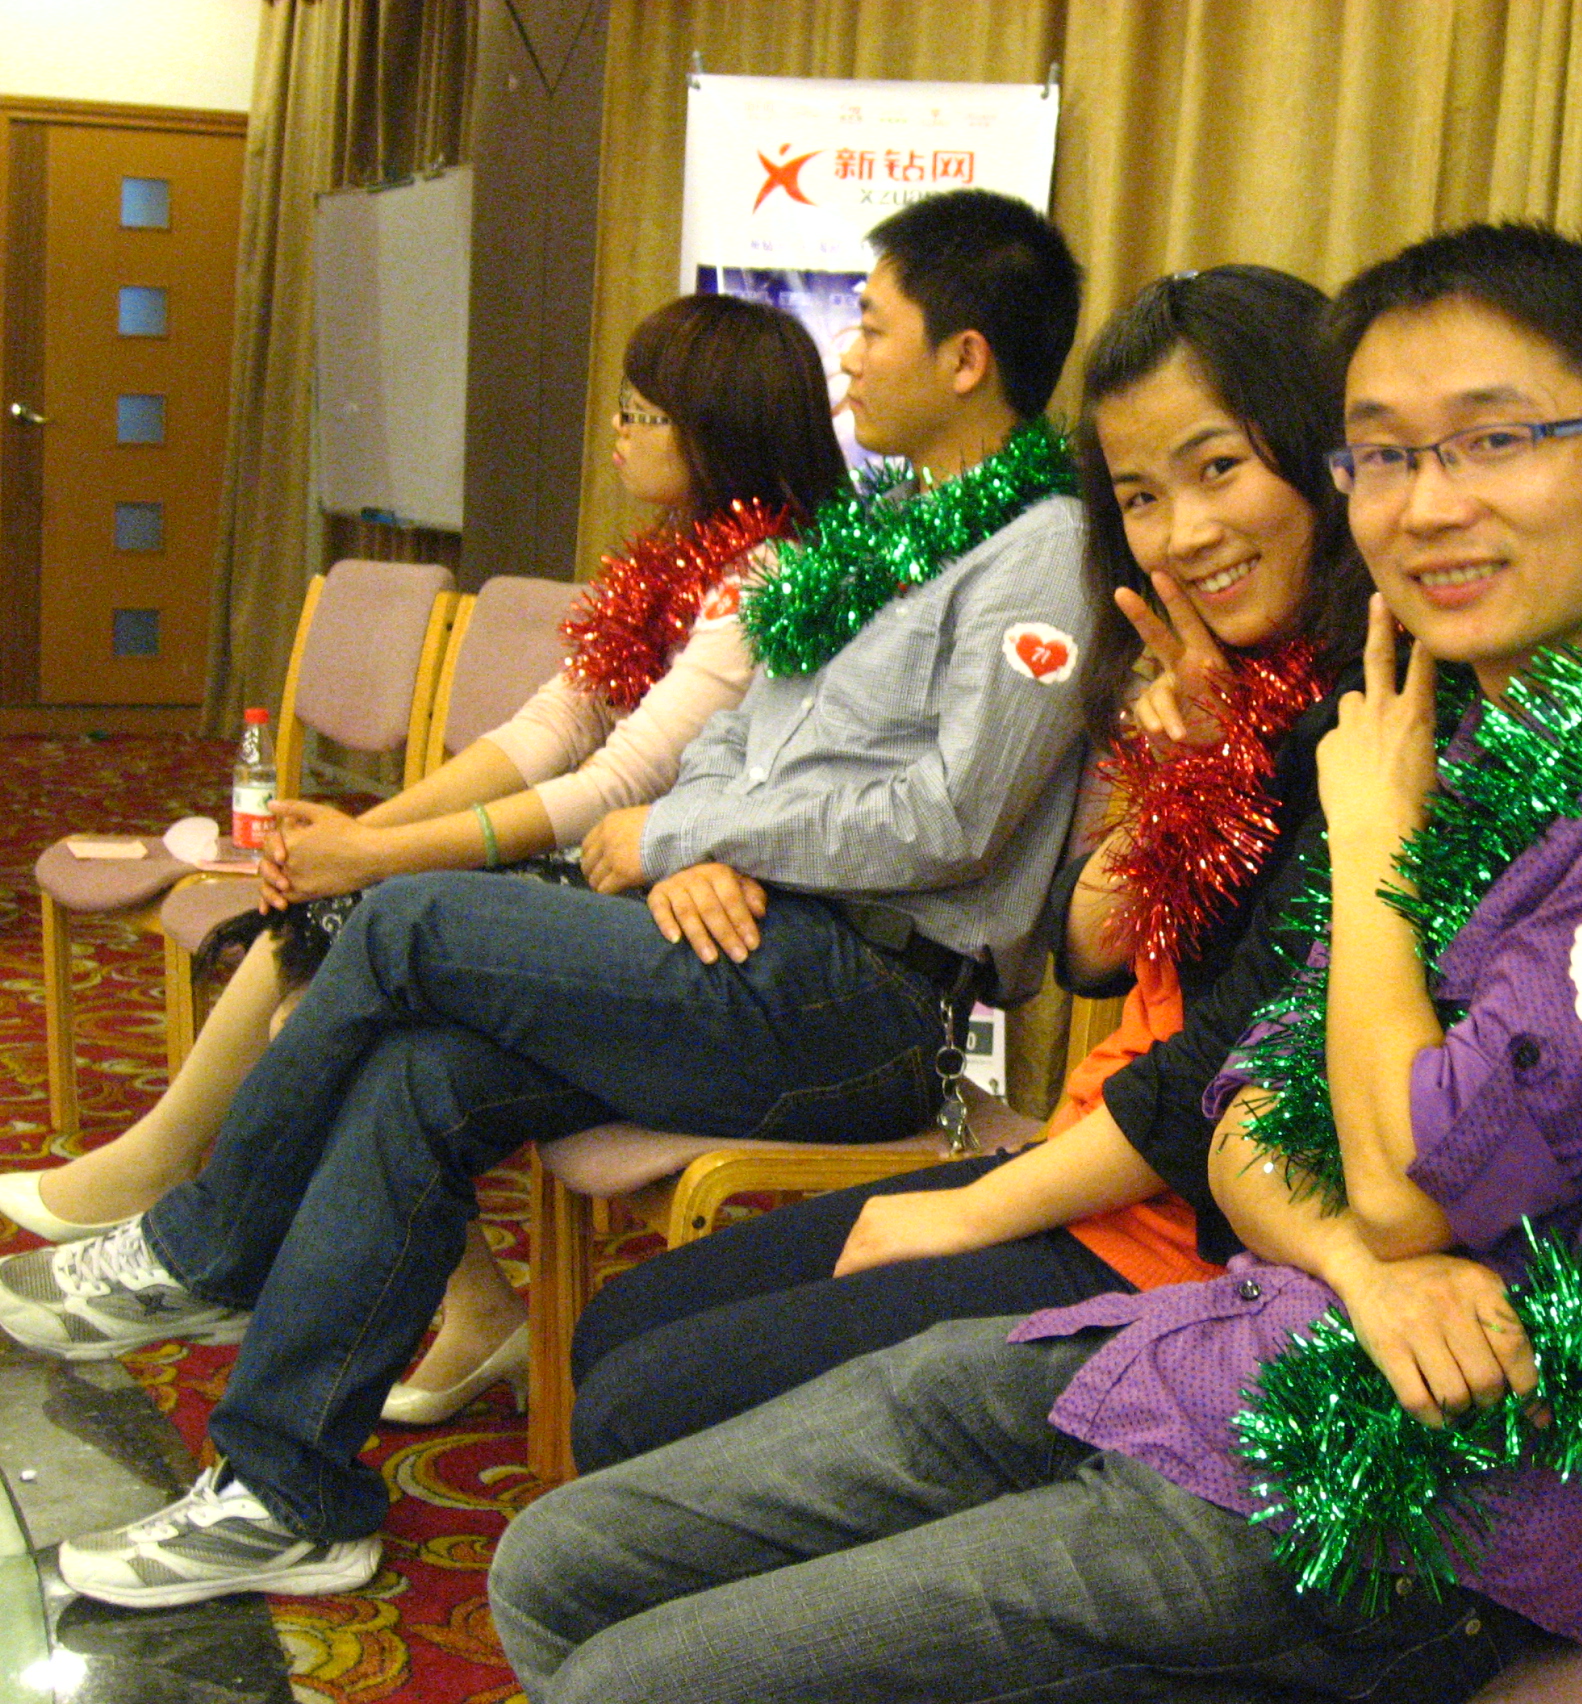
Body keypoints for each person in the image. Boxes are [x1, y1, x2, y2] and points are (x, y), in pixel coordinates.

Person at [483, 220, 1582, 1704]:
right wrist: (1358, 1259)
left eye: (1494, 442)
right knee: (556, 1565)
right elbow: (1242, 1119)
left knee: (633, 1675)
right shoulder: (1452, 737)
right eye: (1383, 456)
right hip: (1208, 1350)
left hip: (1401, 1512)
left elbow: (1410, 1177)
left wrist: (1370, 849)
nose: (1428, 506)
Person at [0, 186, 1090, 1608]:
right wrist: (700, 842)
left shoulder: (1041, 552)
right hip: (758, 942)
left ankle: (205, 1245)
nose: (850, 356)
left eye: (874, 327)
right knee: (422, 1074)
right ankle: (287, 1492)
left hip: (874, 1002)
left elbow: (949, 815)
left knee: (403, 918)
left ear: (966, 358)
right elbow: (746, 744)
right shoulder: (888, 534)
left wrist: (690, 829)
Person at [564, 264, 1373, 1469]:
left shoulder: (1365, 728)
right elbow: (1091, 951)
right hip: (1090, 1177)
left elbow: (1208, 1074)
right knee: (622, 1325)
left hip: (1169, 1240)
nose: (1186, 533)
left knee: (643, 1404)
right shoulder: (1213, 676)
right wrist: (1185, 779)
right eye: (1142, 497)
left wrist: (960, 1214)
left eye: (1219, 469)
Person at [0, 292, 846, 1425]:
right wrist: (367, 837)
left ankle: (176, 1185)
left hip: (683, 895)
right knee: (327, 965)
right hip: (608, 866)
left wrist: (377, 854)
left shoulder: (771, 578)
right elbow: (546, 730)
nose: (618, 430)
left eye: (642, 413)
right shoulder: (667, 563)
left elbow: (619, 781)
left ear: (718, 429)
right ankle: (452, 1300)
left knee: (350, 936)